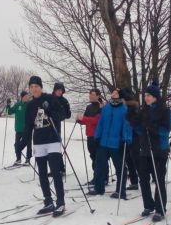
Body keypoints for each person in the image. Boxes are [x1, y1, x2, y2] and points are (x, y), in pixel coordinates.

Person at [128, 81, 171, 222]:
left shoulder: (165, 111)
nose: (146, 97)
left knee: (159, 179)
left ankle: (160, 208)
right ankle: (148, 205)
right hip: (145, 149)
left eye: (149, 95)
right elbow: (141, 130)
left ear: (156, 97)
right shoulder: (144, 110)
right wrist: (134, 123)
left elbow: (165, 131)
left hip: (159, 149)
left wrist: (150, 127)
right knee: (144, 179)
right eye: (145, 95)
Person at [25, 75, 66, 216]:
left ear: (41, 87)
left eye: (36, 86)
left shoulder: (50, 98)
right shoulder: (30, 105)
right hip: (39, 142)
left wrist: (51, 112)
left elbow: (62, 114)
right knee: (42, 173)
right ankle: (48, 201)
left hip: (52, 140)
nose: (34, 89)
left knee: (55, 171)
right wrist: (25, 145)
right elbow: (28, 126)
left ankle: (60, 202)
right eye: (31, 87)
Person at [88, 88, 132, 199]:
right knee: (99, 165)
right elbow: (101, 123)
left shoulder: (124, 109)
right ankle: (99, 188)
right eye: (113, 92)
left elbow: (127, 126)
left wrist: (126, 139)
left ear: (120, 95)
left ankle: (120, 191)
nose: (113, 93)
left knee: (120, 167)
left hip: (116, 143)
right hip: (103, 142)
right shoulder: (107, 107)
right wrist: (97, 136)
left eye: (116, 93)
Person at [76, 89, 104, 184]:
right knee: (93, 157)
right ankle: (96, 177)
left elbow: (97, 121)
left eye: (93, 94)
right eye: (90, 94)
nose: (91, 96)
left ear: (98, 96)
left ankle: (103, 178)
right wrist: (80, 120)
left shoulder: (101, 107)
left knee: (99, 157)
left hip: (98, 136)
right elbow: (86, 120)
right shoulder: (89, 107)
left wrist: (83, 118)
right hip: (90, 136)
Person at [119, 87, 139, 191]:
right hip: (126, 137)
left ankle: (140, 180)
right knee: (129, 160)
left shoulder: (131, 108)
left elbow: (133, 123)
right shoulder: (126, 106)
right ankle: (134, 182)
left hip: (133, 137)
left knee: (134, 160)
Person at [6, 91, 32, 164]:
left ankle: (28, 159)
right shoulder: (17, 105)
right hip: (18, 128)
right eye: (25, 96)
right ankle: (18, 159)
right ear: (22, 97)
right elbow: (9, 112)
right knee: (17, 144)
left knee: (28, 144)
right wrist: (8, 105)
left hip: (27, 129)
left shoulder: (29, 105)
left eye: (27, 96)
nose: (27, 98)